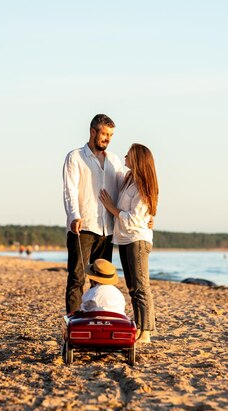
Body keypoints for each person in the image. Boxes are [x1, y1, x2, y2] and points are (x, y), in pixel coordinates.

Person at [62, 114, 126, 314]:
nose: (108, 138)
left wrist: (144, 215)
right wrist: (74, 215)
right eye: (105, 134)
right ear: (93, 132)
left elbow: (126, 190)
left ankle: (97, 318)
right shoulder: (75, 157)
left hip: (107, 230)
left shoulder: (114, 161)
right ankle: (73, 322)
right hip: (83, 227)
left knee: (102, 281)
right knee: (77, 278)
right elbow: (69, 190)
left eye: (111, 135)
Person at [99, 143, 158, 343]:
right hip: (125, 239)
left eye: (129, 154)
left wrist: (111, 208)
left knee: (141, 286)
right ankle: (140, 328)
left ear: (138, 159)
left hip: (137, 240)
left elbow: (134, 219)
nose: (125, 156)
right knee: (133, 287)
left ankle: (147, 331)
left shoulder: (144, 187)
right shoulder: (129, 180)